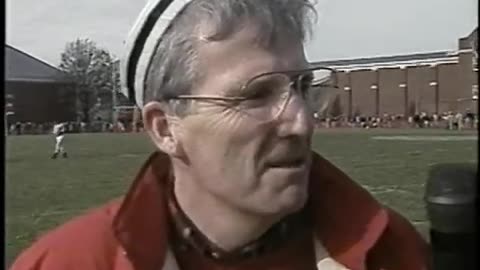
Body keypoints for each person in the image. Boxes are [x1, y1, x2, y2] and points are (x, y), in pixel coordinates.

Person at [10, 0, 429, 269]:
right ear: (165, 128)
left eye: (302, 88)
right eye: (255, 95)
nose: (300, 122)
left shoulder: (391, 250)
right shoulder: (67, 263)